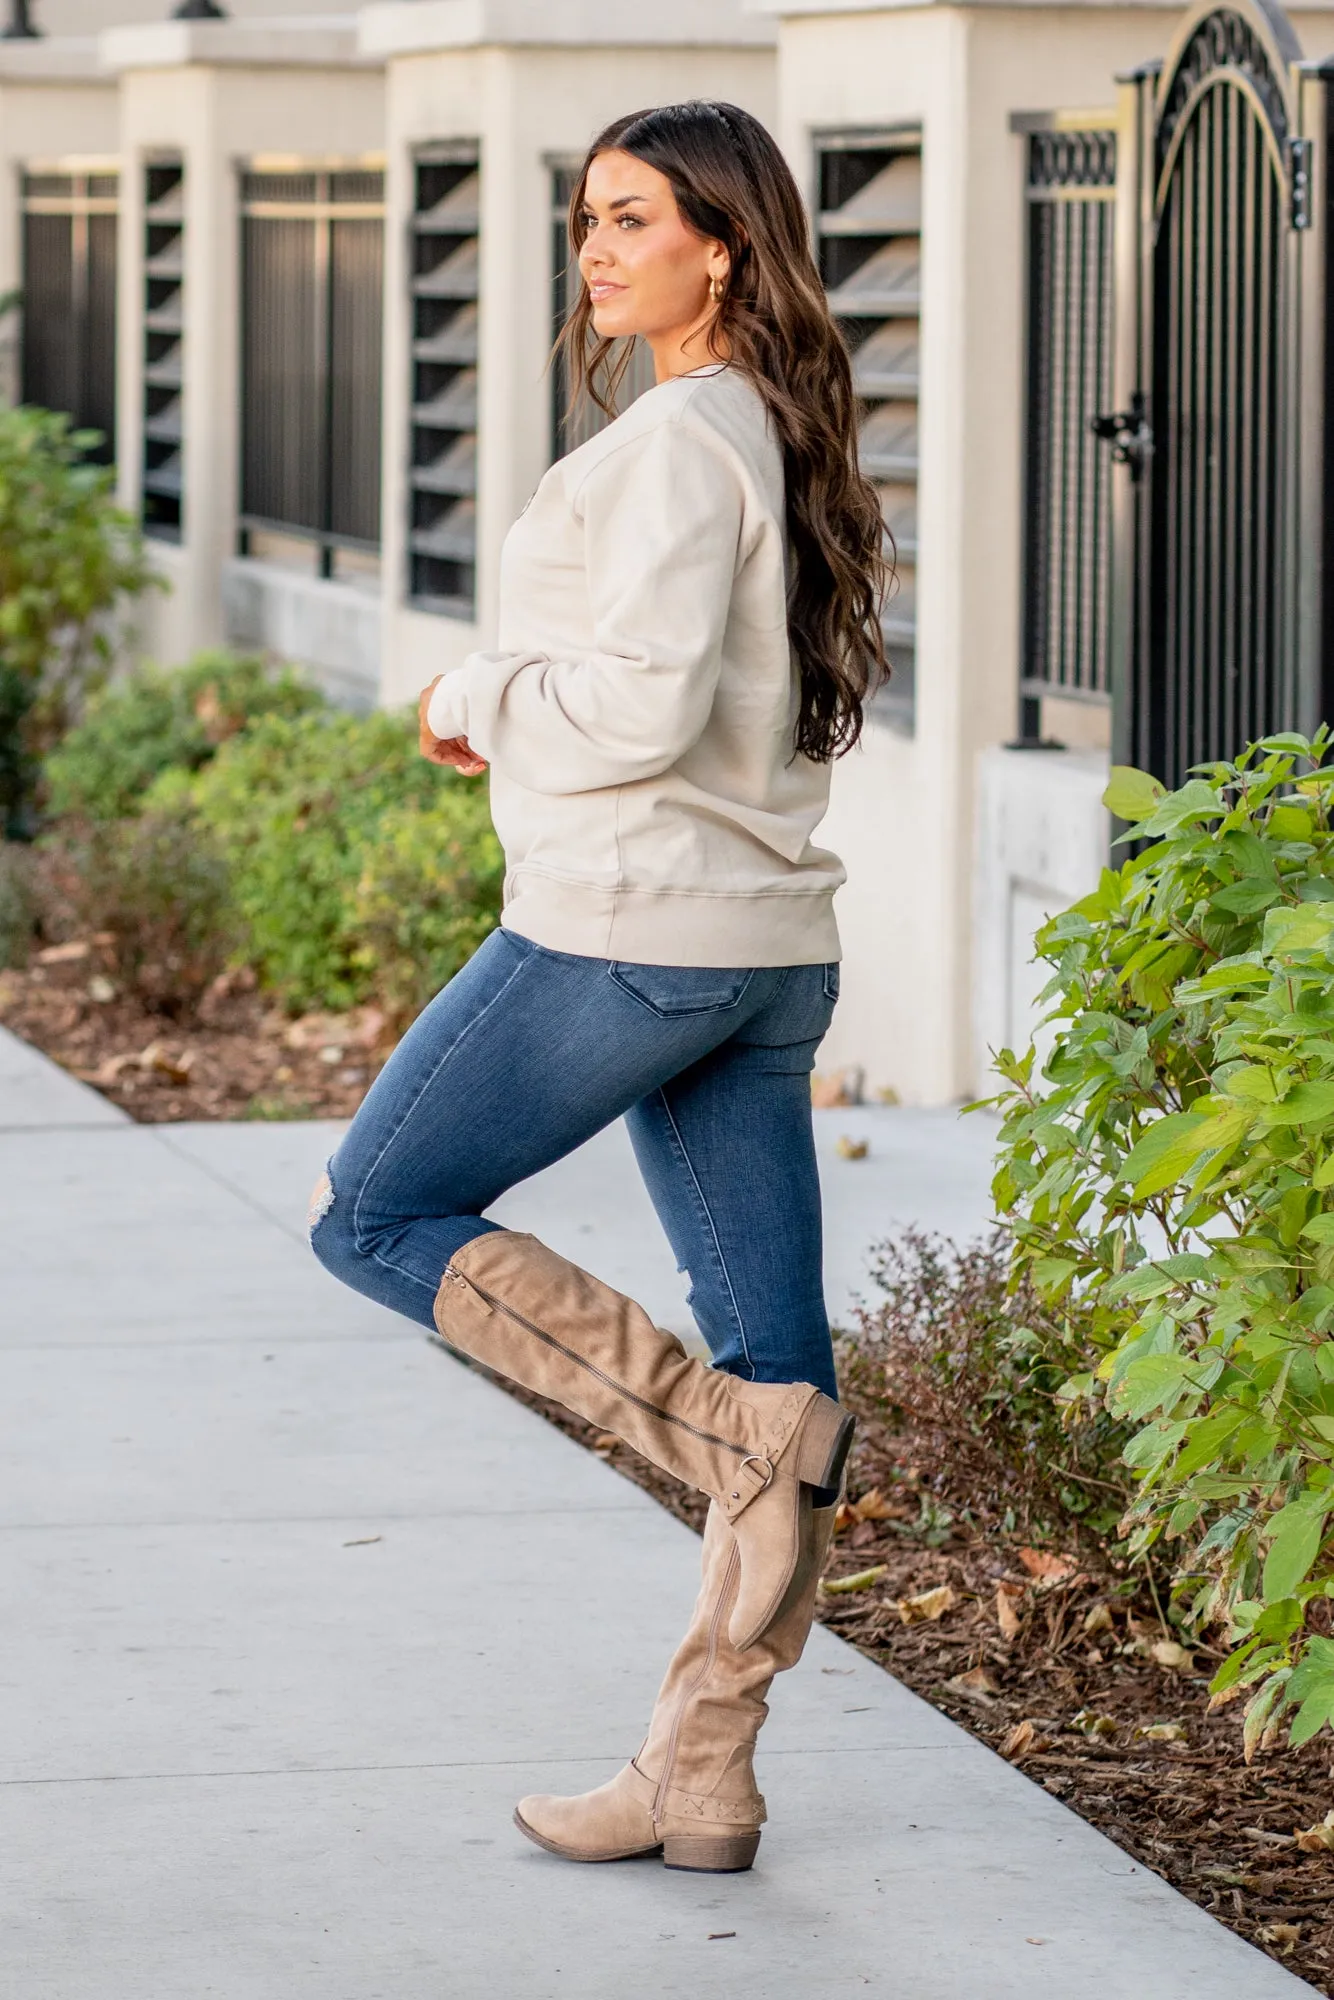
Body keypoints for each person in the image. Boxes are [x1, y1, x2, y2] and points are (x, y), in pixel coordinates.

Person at [311, 98, 890, 1875]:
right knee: (783, 1363)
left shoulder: (669, 446)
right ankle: (701, 1774)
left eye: (633, 217)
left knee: (377, 1212)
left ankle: (717, 1438)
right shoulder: (775, 431)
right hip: (761, 949)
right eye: (588, 217)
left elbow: (629, 708)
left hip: (631, 929)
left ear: (721, 242)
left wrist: (467, 699)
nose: (597, 246)